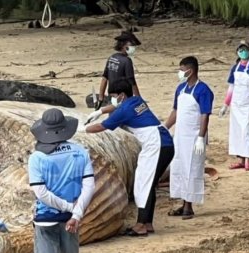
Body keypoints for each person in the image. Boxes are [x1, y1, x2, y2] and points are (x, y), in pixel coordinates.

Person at [28, 108, 94, 253]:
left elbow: (40, 192)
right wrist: (75, 213)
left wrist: (66, 208)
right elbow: (89, 186)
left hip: (46, 219)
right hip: (71, 221)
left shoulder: (37, 157)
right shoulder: (79, 152)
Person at [80, 80, 174, 236]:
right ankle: (147, 223)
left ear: (122, 95)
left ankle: (141, 225)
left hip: (156, 145)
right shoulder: (137, 100)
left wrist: (83, 130)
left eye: (114, 96)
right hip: (164, 141)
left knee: (143, 183)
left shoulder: (125, 110)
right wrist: (100, 111)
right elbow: (117, 107)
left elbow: (102, 127)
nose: (113, 100)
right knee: (148, 183)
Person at [164, 56, 214, 219]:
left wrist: (201, 136)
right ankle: (183, 202)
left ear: (190, 71)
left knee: (192, 168)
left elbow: (204, 115)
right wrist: (165, 127)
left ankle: (189, 206)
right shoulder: (180, 89)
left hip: (194, 136)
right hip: (180, 136)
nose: (180, 72)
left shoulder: (203, 90)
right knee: (179, 167)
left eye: (182, 69)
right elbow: (176, 111)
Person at [218, 40, 249, 171]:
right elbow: (231, 87)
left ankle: (248, 159)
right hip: (237, 104)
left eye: (245, 49)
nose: (243, 52)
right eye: (240, 50)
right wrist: (225, 105)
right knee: (237, 131)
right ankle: (240, 159)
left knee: (248, 130)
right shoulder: (235, 67)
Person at [94, 30, 142, 111]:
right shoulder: (127, 61)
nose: (133, 48)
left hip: (112, 99)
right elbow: (132, 82)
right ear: (124, 45)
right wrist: (139, 99)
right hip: (123, 99)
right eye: (132, 45)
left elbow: (104, 78)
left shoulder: (112, 57)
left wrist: (101, 98)